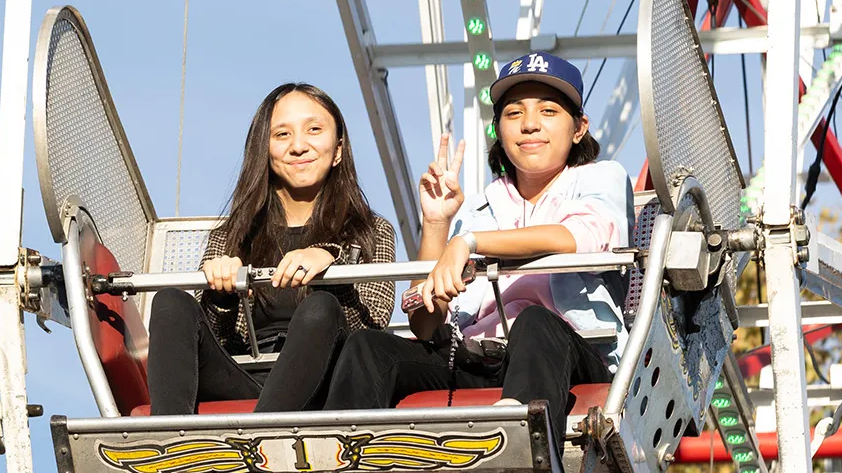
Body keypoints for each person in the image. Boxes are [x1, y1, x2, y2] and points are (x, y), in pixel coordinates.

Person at [323, 51, 633, 447]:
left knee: (534, 322)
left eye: (549, 111)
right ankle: (340, 457)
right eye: (514, 114)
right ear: (499, 130)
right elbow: (424, 323)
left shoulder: (599, 179)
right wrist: (437, 224)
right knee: (367, 347)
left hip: (567, 356)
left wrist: (468, 243)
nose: (530, 125)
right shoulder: (480, 208)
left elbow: (576, 236)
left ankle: (515, 441)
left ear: (579, 128)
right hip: (477, 357)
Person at [147, 83, 396, 415]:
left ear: (337, 149)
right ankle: (168, 442)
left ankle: (264, 436)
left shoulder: (371, 232)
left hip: (326, 385)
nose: (298, 146)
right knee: (170, 301)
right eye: (282, 135)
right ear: (264, 149)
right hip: (244, 379)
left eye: (314, 130)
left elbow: (372, 330)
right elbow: (214, 339)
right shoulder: (232, 235)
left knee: (320, 307)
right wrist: (221, 297)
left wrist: (331, 269)